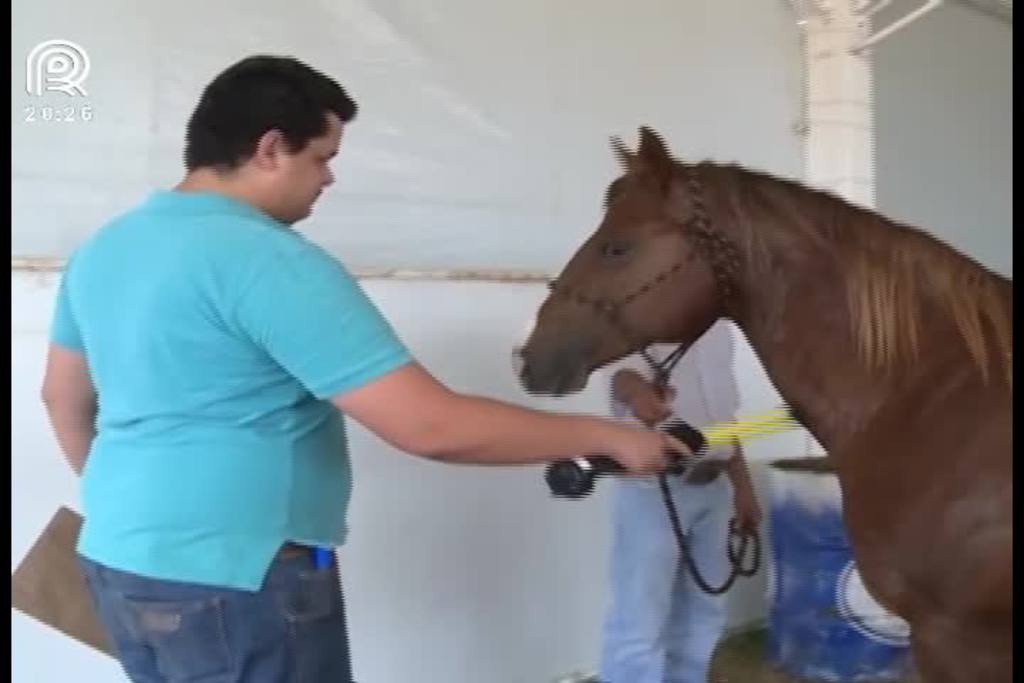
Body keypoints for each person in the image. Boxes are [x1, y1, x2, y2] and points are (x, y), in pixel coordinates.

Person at [40, 55, 688, 683]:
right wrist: (608, 436)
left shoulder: (105, 248)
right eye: (322, 157)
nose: (328, 179)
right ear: (270, 148)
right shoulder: (269, 260)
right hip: (239, 586)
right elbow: (430, 425)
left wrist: (140, 514)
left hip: (116, 562)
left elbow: (61, 401)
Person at [598, 321, 762, 683]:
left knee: (706, 613)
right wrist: (638, 391)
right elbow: (621, 377)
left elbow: (726, 420)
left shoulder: (719, 331)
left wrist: (743, 489)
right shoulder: (645, 313)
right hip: (654, 493)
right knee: (640, 623)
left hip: (715, 488)